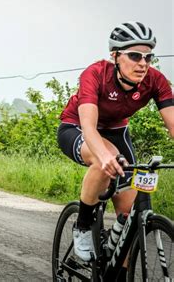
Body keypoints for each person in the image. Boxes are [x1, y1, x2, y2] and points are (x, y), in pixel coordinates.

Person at [57, 22, 173, 277]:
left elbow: (173, 123)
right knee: (105, 159)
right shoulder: (96, 74)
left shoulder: (156, 80)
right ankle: (83, 224)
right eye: (134, 56)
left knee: (129, 213)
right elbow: (88, 126)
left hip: (117, 132)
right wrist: (104, 156)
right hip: (76, 126)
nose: (143, 64)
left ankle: (117, 268)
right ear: (115, 56)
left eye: (148, 57)